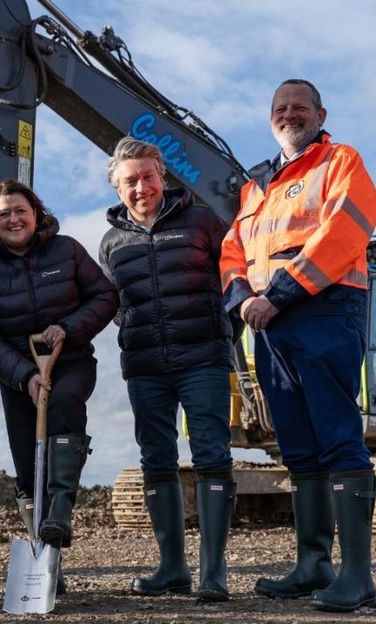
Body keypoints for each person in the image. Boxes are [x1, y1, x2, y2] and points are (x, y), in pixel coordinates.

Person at [220, 79, 376, 612]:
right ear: (270, 120)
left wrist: (278, 295)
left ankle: (357, 574)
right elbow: (231, 250)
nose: (290, 113)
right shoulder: (255, 187)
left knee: (338, 437)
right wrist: (242, 298)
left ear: (320, 113)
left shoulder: (340, 162)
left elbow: (345, 232)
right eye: (280, 108)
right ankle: (314, 564)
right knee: (300, 446)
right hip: (269, 322)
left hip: (325, 311)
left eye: (299, 106)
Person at [99, 136, 236, 602]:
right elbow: (112, 302)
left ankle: (213, 573)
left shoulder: (201, 221)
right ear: (119, 189)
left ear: (163, 175)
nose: (141, 187)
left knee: (212, 457)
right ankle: (172, 569)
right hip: (145, 367)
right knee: (155, 459)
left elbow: (234, 277)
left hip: (202, 359)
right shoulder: (111, 241)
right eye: (131, 181)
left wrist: (226, 329)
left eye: (148, 177)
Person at [0, 180, 117, 594]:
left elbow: (105, 296)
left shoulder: (66, 250)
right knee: (27, 470)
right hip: (16, 376)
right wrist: (24, 375)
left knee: (67, 402)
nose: (13, 219)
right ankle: (46, 558)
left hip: (69, 362)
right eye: (3, 214)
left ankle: (61, 512)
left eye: (20, 210)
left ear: (35, 213)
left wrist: (67, 328)